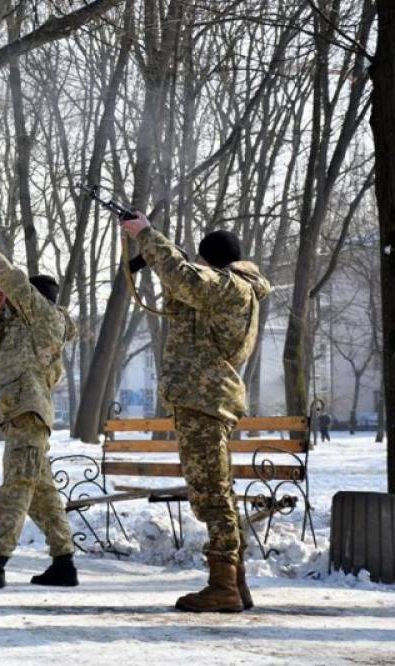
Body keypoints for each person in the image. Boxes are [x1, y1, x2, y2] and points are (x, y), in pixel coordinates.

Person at [121, 213, 270, 613]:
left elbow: (185, 279)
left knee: (212, 492)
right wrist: (152, 255)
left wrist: (146, 234)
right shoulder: (231, 289)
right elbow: (185, 286)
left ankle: (223, 584)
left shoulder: (229, 287)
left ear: (209, 261)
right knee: (214, 489)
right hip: (204, 397)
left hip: (205, 399)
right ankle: (234, 581)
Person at [0, 229, 79, 590]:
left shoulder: (46, 319)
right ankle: (63, 561)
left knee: (15, 486)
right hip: (18, 414)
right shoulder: (18, 326)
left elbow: (16, 282)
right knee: (40, 493)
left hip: (29, 413)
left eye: (15, 298)